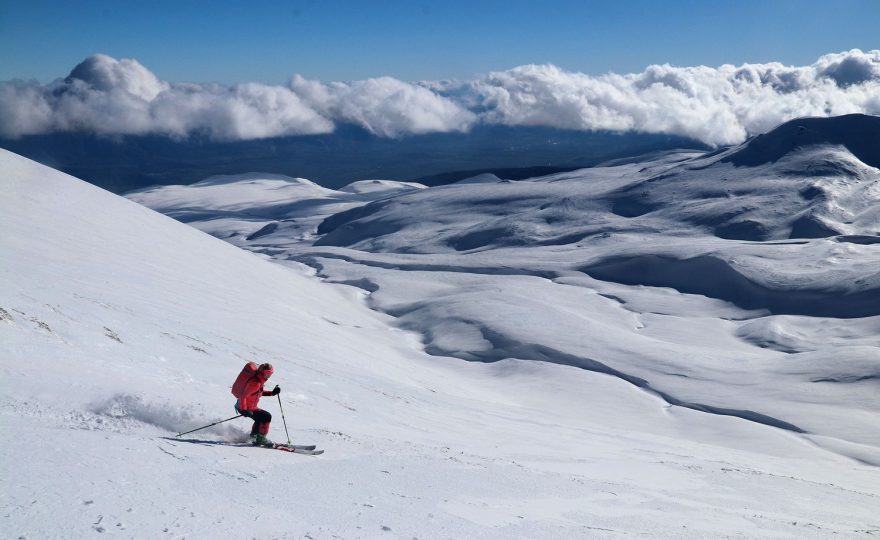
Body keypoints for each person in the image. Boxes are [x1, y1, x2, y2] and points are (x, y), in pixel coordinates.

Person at [234, 363, 280, 446]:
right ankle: (261, 439)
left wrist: (272, 393)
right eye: (268, 373)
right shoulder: (256, 383)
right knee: (266, 416)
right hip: (244, 407)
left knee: (260, 418)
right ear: (263, 372)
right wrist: (244, 410)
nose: (269, 376)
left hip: (250, 407)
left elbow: (257, 393)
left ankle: (254, 436)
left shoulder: (259, 380)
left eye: (271, 374)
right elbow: (243, 396)